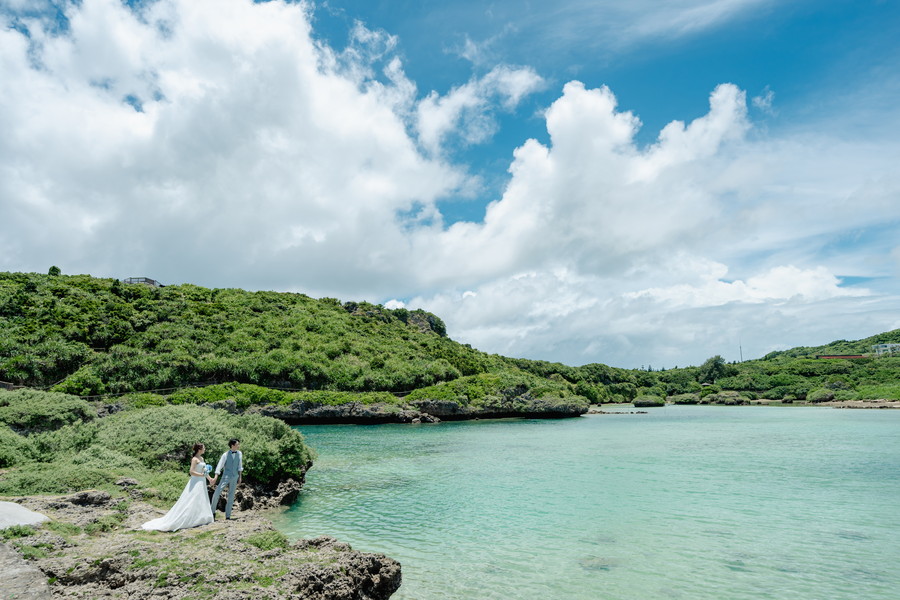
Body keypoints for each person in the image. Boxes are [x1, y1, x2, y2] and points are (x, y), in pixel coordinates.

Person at [142, 443, 215, 532]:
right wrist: (201, 475)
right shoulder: (194, 459)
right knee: (192, 498)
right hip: (196, 481)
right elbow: (191, 472)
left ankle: (201, 517)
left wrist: (209, 478)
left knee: (201, 498)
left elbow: (204, 471)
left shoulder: (202, 458)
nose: (205, 449)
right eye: (204, 448)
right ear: (199, 449)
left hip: (202, 481)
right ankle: (190, 518)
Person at [210, 439, 243, 520]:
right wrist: (215, 477)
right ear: (232, 445)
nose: (238, 446)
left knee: (231, 496)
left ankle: (228, 516)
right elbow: (219, 466)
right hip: (226, 477)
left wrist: (240, 477)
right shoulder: (225, 455)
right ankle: (212, 512)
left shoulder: (239, 453)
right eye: (237, 444)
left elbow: (240, 466)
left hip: (235, 477)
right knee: (216, 493)